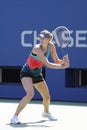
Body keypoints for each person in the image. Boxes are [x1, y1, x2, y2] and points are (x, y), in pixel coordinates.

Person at [10, 29, 70, 124]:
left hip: (37, 73)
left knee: (47, 97)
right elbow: (47, 64)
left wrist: (63, 61)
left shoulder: (51, 46)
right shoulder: (37, 48)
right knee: (30, 94)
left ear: (49, 39)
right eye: (40, 37)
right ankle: (14, 117)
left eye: (43, 38)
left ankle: (46, 112)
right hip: (27, 72)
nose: (40, 39)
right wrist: (63, 67)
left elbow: (56, 60)